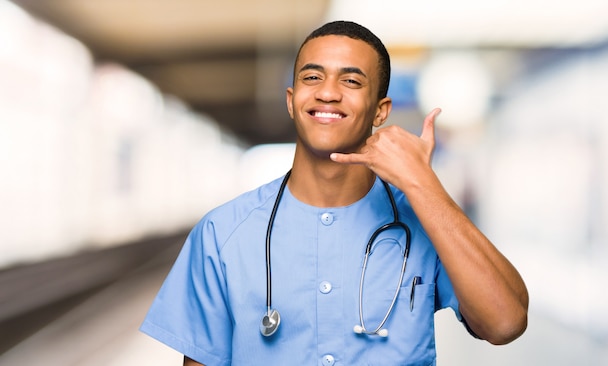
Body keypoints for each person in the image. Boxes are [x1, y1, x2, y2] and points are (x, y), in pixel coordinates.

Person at [140, 20, 528, 365]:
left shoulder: (425, 221)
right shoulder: (220, 235)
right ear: (292, 102)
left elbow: (505, 322)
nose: (328, 93)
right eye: (312, 78)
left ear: (381, 111)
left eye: (351, 81)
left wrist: (422, 184)